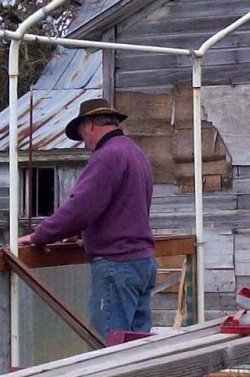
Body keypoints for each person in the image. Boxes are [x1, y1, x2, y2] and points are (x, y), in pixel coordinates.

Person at [18, 96, 157, 340]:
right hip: (142, 262)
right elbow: (120, 208)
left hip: (116, 265)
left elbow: (81, 208)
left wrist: (40, 235)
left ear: (91, 125)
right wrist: (81, 231)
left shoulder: (107, 156)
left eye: (82, 134)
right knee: (137, 347)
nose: (84, 143)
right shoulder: (136, 154)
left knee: (107, 346)